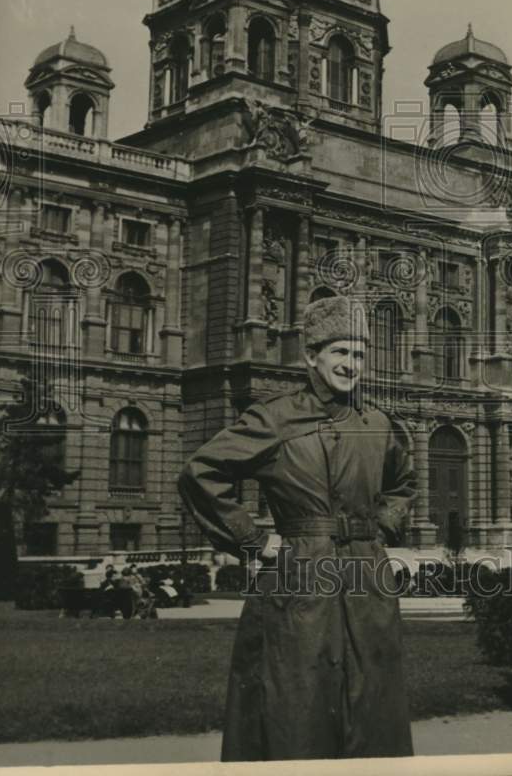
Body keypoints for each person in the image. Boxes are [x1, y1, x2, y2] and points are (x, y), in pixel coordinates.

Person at [178, 295, 417, 761]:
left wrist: (382, 530)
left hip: (367, 578)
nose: (351, 364)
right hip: (301, 577)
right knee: (296, 701)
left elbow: (403, 483)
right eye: (340, 352)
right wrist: (253, 540)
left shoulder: (378, 423)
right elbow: (200, 472)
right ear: (311, 356)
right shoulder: (274, 417)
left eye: (359, 354)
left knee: (373, 702)